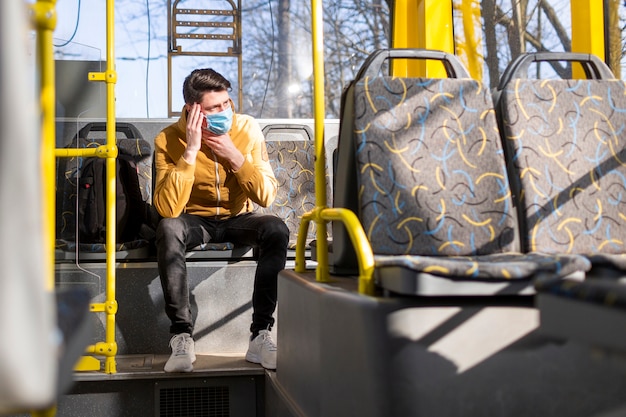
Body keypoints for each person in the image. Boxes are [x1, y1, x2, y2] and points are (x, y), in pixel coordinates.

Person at [152, 68, 289, 372]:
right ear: (193, 109)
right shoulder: (167, 140)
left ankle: (260, 333)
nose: (224, 111)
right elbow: (166, 207)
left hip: (237, 218)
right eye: (214, 108)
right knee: (168, 228)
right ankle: (182, 336)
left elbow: (267, 196)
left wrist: (235, 157)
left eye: (226, 103)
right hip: (193, 220)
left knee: (276, 229)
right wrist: (190, 151)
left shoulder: (247, 129)